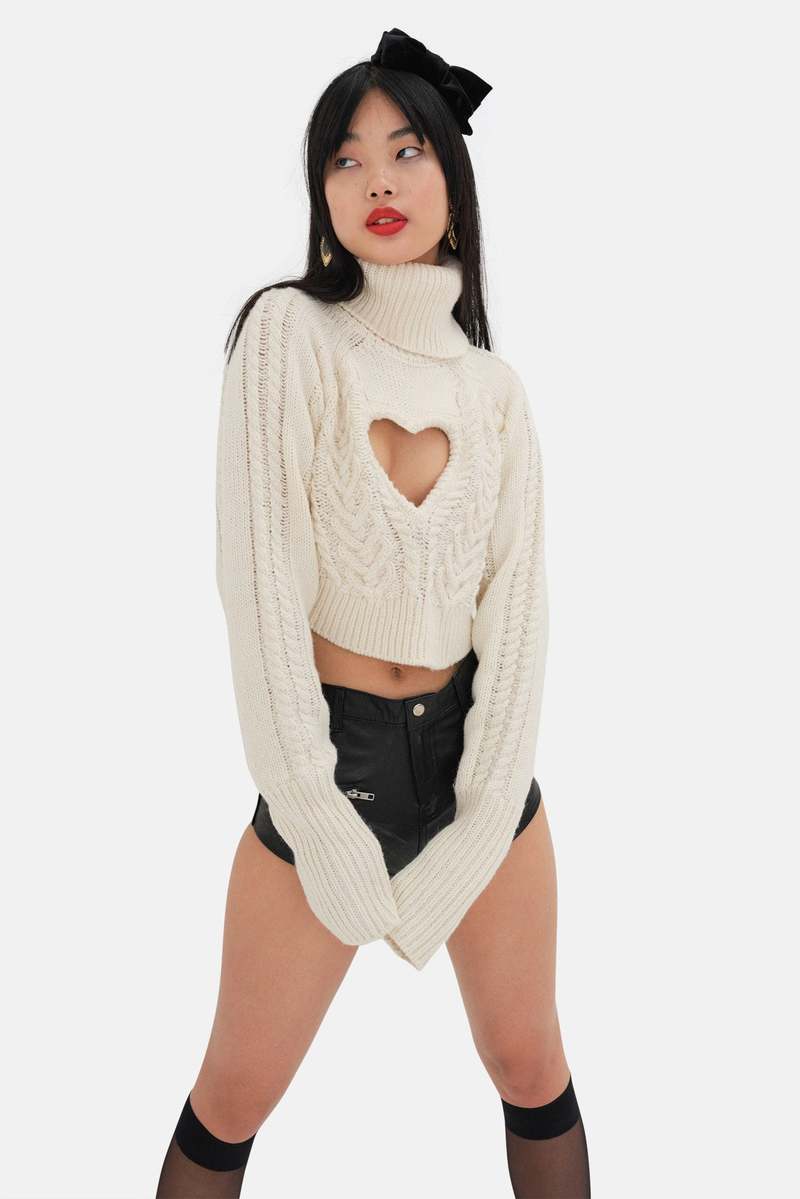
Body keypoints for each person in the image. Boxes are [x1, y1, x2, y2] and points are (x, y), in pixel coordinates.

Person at [156, 28, 590, 1198]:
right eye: (343, 160)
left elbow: (518, 613)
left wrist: (483, 812)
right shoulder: (286, 334)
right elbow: (257, 589)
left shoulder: (492, 389)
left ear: (453, 178)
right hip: (329, 754)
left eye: (405, 151)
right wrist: (314, 809)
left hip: (476, 760)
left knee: (530, 1063)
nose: (375, 180)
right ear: (320, 193)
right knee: (234, 1093)